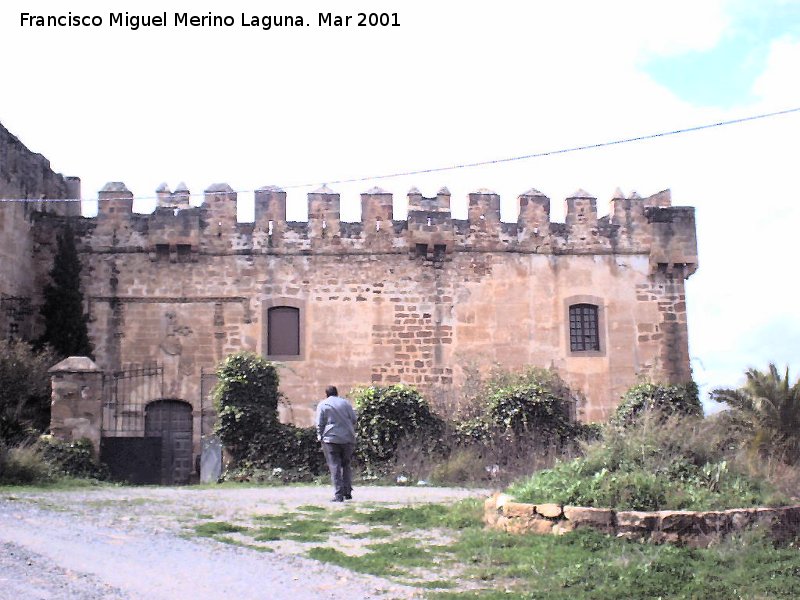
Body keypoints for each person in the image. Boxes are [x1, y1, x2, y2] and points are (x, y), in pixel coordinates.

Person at [315, 385, 357, 502]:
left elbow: (319, 423)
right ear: (337, 393)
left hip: (331, 439)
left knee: (335, 466)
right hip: (348, 438)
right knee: (346, 464)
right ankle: (347, 492)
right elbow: (354, 419)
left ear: (326, 394)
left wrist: (320, 436)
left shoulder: (323, 404)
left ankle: (338, 495)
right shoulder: (346, 403)